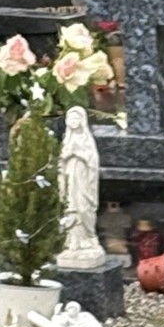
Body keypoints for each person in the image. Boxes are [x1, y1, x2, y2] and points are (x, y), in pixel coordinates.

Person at [55, 104, 105, 266]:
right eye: (70, 118)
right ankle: (73, 242)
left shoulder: (86, 139)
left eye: (77, 118)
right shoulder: (67, 139)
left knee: (83, 208)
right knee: (71, 209)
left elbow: (93, 161)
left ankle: (88, 238)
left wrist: (80, 154)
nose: (73, 121)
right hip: (70, 178)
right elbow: (60, 161)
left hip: (83, 180)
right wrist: (67, 155)